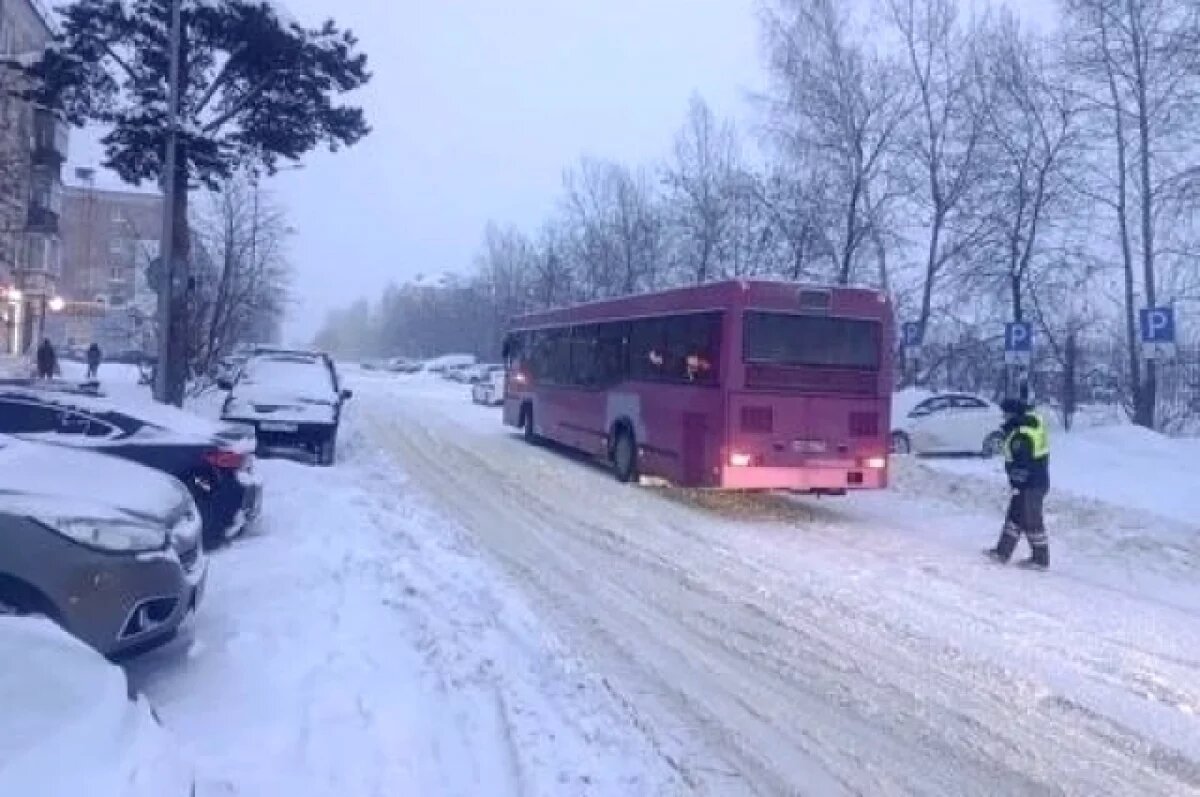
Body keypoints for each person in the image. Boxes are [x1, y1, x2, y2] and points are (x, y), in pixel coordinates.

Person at [986, 397, 1050, 570]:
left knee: (1031, 521)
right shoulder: (1032, 424)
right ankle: (1002, 552)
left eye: (1005, 414)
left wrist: (1016, 483)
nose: (1003, 418)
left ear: (1013, 414)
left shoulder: (1021, 436)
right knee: (1015, 516)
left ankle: (1040, 559)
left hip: (1030, 484)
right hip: (1034, 481)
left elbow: (1022, 464)